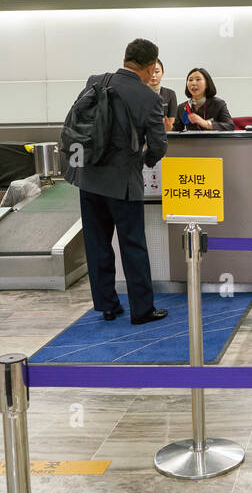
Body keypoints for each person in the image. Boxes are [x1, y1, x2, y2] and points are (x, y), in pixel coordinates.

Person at [65, 39, 169, 325]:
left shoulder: (95, 81)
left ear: (125, 59)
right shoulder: (149, 98)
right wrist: (144, 161)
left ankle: (107, 306)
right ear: (150, 68)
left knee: (97, 244)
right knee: (132, 245)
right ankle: (142, 310)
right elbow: (159, 146)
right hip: (123, 184)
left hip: (88, 177)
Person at [147, 59, 179, 131]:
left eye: (157, 71)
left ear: (162, 73)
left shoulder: (170, 94)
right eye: (150, 71)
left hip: (164, 135)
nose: (153, 75)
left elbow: (171, 124)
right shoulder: (138, 93)